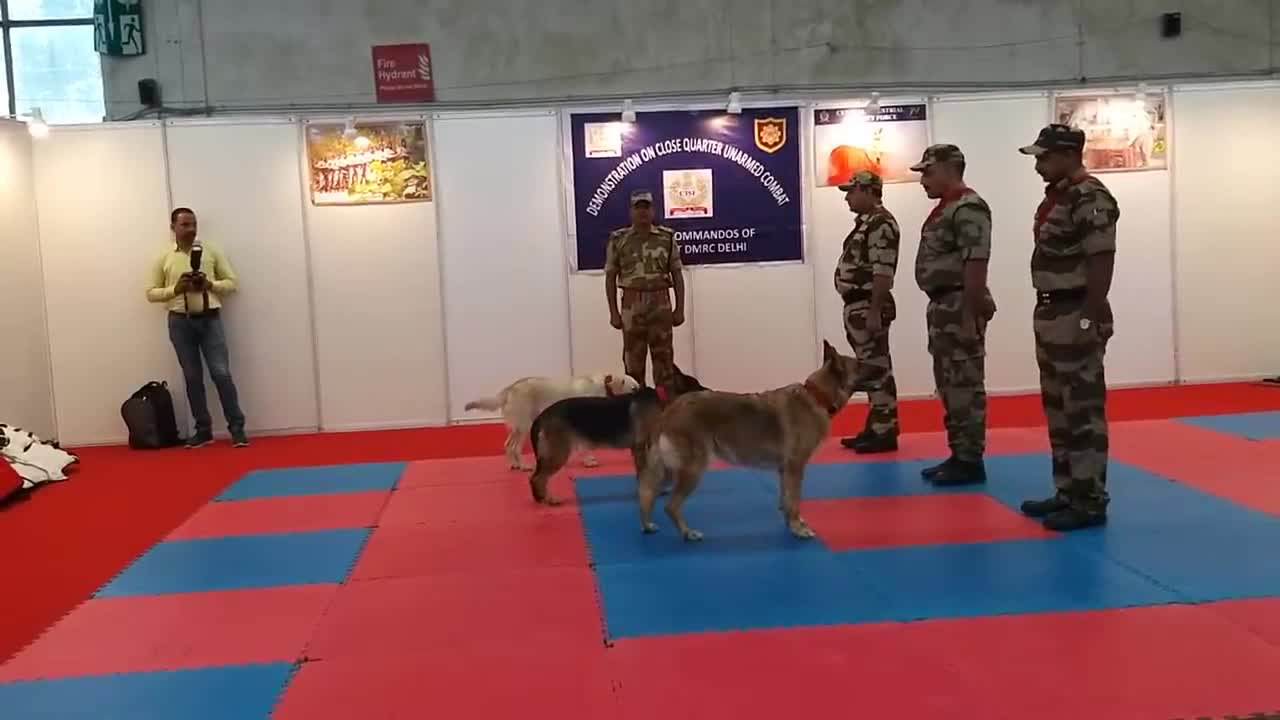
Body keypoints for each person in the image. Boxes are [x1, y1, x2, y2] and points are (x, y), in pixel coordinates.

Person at [1016, 124, 1119, 531]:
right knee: (1059, 408)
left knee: (1083, 410)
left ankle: (1089, 499)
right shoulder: (1058, 196)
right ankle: (1068, 490)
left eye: (1044, 157)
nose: (1038, 165)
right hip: (1052, 312)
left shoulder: (1090, 197)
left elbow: (1101, 260)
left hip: (1076, 309)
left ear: (1067, 155)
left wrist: (1090, 316)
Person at [909, 144, 996, 485]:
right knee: (948, 384)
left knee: (965, 385)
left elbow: (976, 263)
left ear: (949, 168)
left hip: (960, 303)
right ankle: (959, 453)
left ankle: (970, 460)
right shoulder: (947, 208)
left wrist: (969, 316)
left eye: (928, 172)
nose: (923, 181)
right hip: (944, 306)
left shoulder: (968, 207)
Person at [146, 208, 249, 449]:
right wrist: (176, 289)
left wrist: (209, 284)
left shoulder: (211, 251)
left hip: (210, 319)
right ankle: (203, 430)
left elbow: (232, 283)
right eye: (185, 225)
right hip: (179, 321)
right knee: (192, 377)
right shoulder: (163, 257)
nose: (191, 229)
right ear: (173, 227)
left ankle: (237, 429)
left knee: (221, 373)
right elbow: (150, 292)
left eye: (193, 224)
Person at [833, 169, 901, 453]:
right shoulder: (868, 223)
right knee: (872, 368)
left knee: (876, 369)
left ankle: (884, 432)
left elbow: (883, 271)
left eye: (852, 191)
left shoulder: (881, 223)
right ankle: (877, 427)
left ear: (870, 191)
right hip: (858, 305)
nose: (847, 197)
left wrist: (874, 311)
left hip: (867, 305)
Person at [604, 190, 685, 398]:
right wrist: (613, 312)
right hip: (632, 304)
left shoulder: (666, 237)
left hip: (660, 302)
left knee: (664, 364)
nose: (642, 212)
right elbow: (610, 277)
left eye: (646, 207)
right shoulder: (618, 239)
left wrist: (680, 309)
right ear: (631, 211)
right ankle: (636, 411)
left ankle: (665, 409)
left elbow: (677, 274)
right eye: (638, 207)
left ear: (653, 210)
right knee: (633, 366)